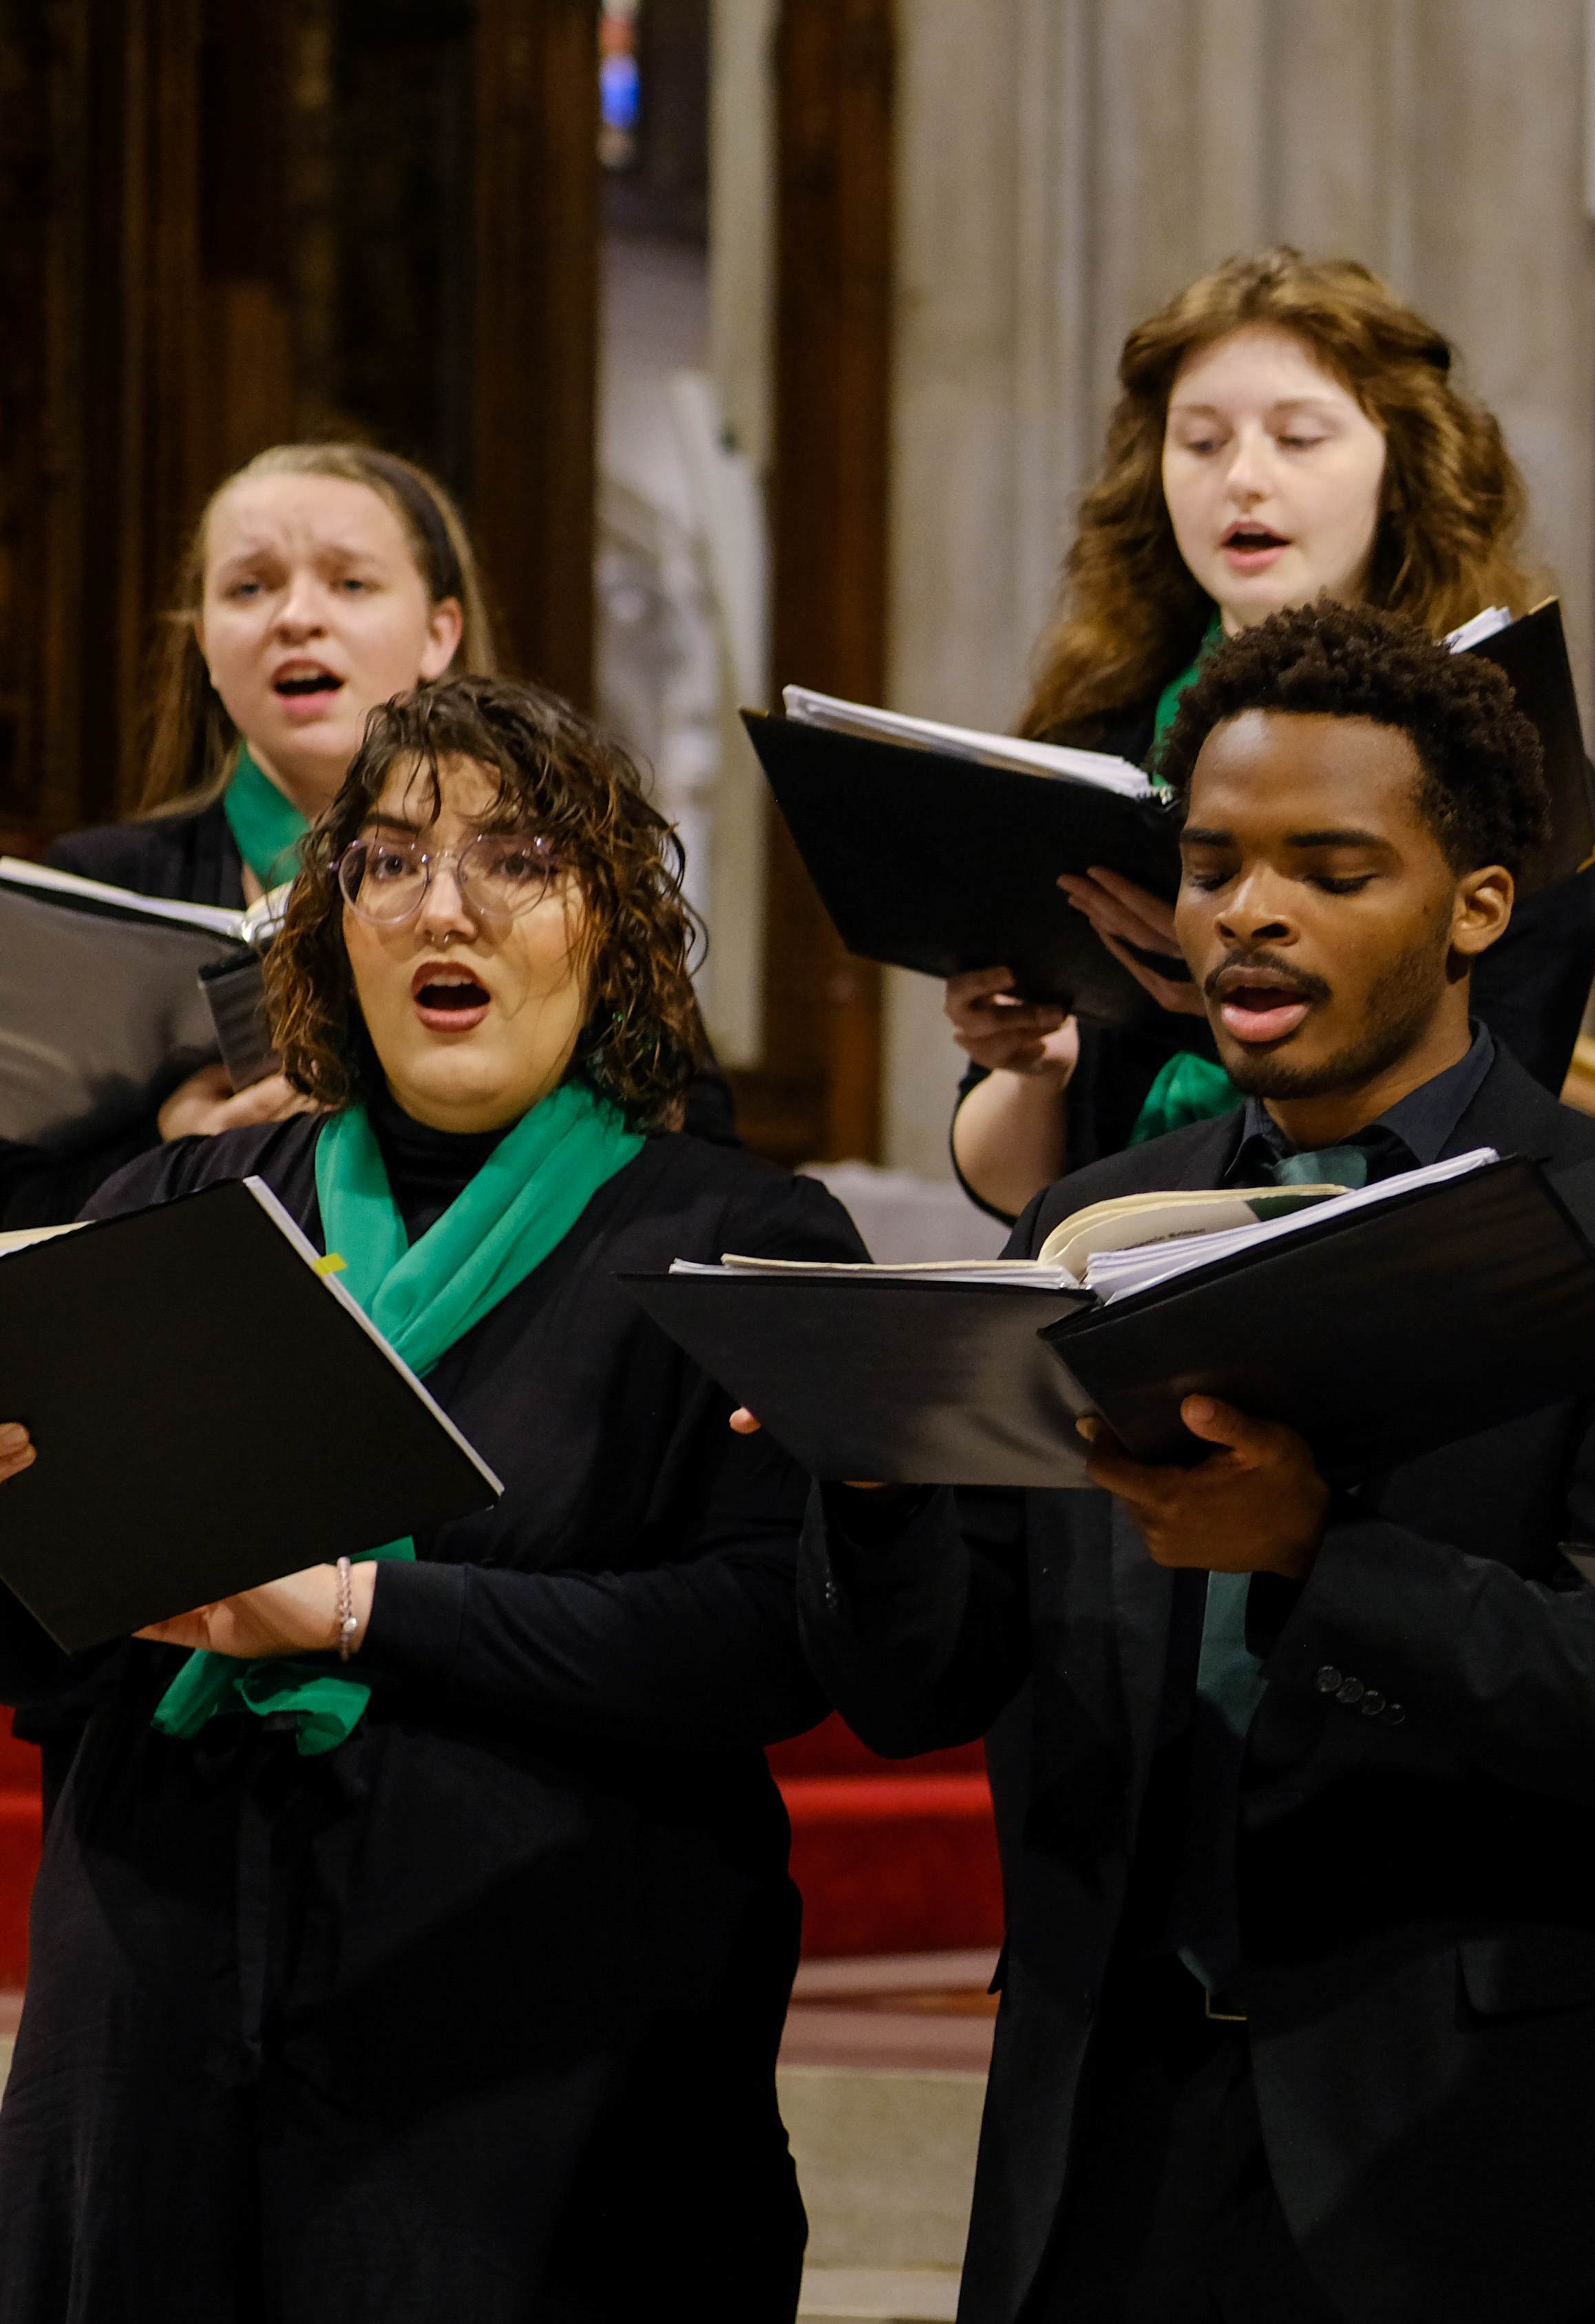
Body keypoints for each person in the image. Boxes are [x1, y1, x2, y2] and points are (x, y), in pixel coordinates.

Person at [788, 601, 1595, 2324]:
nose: (1250, 913)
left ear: (1477, 906)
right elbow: (929, 1686)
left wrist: (1323, 1556)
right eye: (1215, 864)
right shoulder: (1089, 1221)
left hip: (1462, 2150)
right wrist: (870, 1480)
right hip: (1110, 2136)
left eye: (1329, 867)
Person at [0, 677, 865, 2319]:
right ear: (331, 923)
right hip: (163, 2004)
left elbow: (759, 1640)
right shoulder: (185, 1196)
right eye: (387, 862)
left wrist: (352, 1608)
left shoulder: (735, 1234)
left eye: (517, 857)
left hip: (539, 2030)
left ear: (610, 921)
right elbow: (47, 1653)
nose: (440, 904)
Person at [943, 245, 1595, 1222]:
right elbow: (1022, 1195)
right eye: (1201, 442)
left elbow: (1495, 1128)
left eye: (1299, 438)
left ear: (1400, 468)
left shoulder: (1503, 760)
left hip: (1397, 1277)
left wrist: (1219, 999)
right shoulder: (1096, 744)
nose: (1243, 479)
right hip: (1106, 1286)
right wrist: (1032, 1066)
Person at [6, 445, 501, 1226]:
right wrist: (172, 1146)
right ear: (203, 641)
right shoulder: (95, 883)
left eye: (350, 583)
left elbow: (679, 1132)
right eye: (250, 586)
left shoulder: (542, 879)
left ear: (439, 634)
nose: (297, 617)